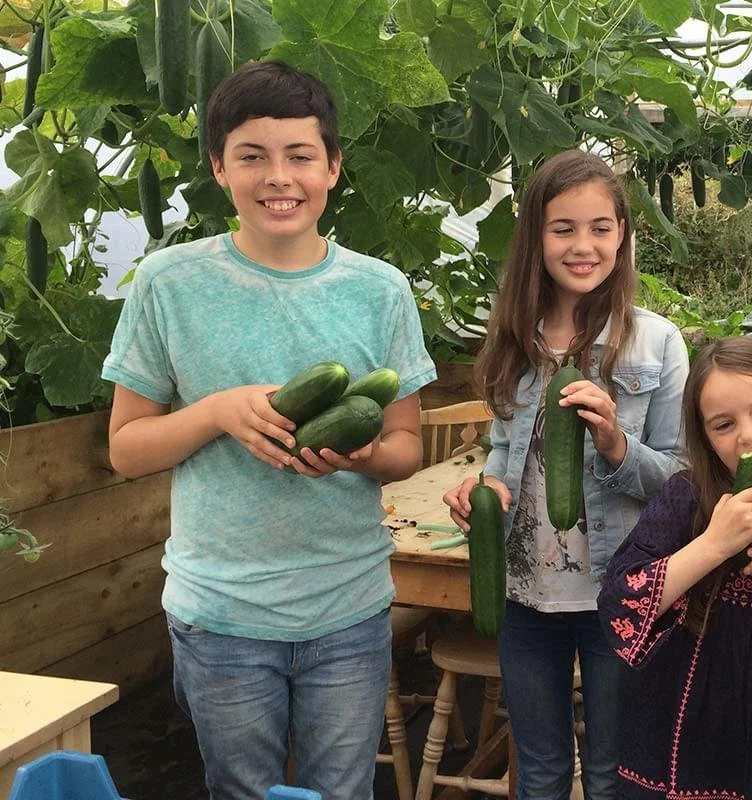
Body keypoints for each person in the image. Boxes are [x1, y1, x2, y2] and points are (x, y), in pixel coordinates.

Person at [102, 61, 436, 800]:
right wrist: (216, 412)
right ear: (219, 167)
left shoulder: (380, 290)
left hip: (346, 607)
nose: (277, 177)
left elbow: (407, 446)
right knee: (243, 794)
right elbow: (126, 449)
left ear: (333, 167)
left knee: (340, 794)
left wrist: (361, 456)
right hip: (219, 613)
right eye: (252, 156)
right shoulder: (167, 283)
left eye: (300, 156)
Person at [442, 149, 689, 800]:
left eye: (600, 227)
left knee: (611, 776)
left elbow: (684, 484)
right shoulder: (512, 342)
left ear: (622, 235)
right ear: (537, 238)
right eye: (563, 228)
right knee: (542, 772)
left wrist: (614, 442)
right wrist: (485, 490)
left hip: (619, 592)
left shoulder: (658, 343)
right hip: (527, 597)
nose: (584, 245)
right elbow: (502, 456)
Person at [597, 336, 752, 799]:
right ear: (705, 438)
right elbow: (618, 604)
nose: (749, 436)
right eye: (723, 425)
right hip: (680, 746)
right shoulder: (686, 497)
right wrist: (713, 545)